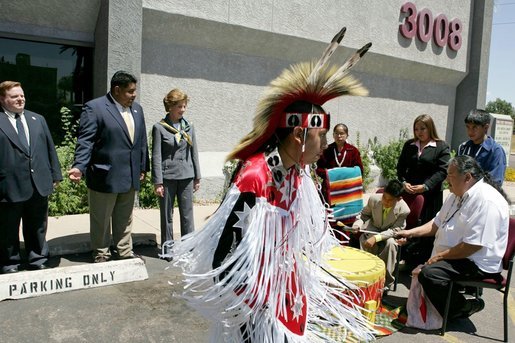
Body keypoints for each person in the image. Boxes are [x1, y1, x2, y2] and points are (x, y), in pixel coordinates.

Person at [167, 28, 376, 342]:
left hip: (283, 290)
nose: (324, 145)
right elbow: (224, 257)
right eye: (320, 137)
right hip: (255, 299)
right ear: (298, 135)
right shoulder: (257, 176)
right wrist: (249, 309)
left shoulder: (296, 173)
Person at [396, 155, 510, 320]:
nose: (446, 179)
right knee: (423, 263)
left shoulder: (487, 201)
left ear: (467, 177)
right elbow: (437, 223)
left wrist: (439, 257)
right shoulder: (457, 193)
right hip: (457, 254)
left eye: (450, 175)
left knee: (430, 273)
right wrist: (410, 232)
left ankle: (462, 307)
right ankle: (445, 304)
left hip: (475, 261)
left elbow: (473, 246)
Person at [68, 71, 149, 263]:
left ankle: (124, 251)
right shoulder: (95, 108)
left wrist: (142, 167)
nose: (134, 95)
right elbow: (85, 141)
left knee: (125, 218)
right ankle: (101, 253)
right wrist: (79, 166)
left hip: (129, 174)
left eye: (134, 91)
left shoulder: (137, 110)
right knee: (101, 219)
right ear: (117, 90)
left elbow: (141, 142)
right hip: (104, 175)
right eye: (130, 91)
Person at [0, 81, 62, 273]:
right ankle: (10, 262)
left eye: (22, 95)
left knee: (37, 225)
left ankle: (37, 258)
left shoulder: (37, 119)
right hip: (8, 185)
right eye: (14, 96)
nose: (20, 99)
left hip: (38, 183)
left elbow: (49, 148)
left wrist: (55, 174)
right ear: (3, 99)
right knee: (8, 227)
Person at [396, 114, 450, 266]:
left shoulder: (441, 146)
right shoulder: (409, 145)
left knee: (426, 228)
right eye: (416, 128)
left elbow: (442, 171)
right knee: (409, 225)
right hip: (410, 193)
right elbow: (400, 167)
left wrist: (425, 186)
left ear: (430, 128)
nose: (419, 132)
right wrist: (403, 182)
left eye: (423, 128)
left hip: (430, 195)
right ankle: (406, 259)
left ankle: (422, 262)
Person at [152, 89, 201, 255]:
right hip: (167, 177)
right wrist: (157, 181)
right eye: (179, 106)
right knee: (167, 215)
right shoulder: (159, 128)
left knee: (187, 215)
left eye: (184, 106)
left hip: (187, 176)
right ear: (170, 107)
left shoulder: (189, 126)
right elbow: (156, 156)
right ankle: (168, 249)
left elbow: (194, 152)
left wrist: (197, 177)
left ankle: (189, 248)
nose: (183, 109)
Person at [352, 179, 410, 290]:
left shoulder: (404, 210)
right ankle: (366, 277)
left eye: (390, 200)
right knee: (365, 240)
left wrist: (376, 238)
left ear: (399, 199)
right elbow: (364, 215)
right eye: (384, 198)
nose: (386, 202)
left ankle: (386, 282)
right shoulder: (374, 199)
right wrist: (357, 225)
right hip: (373, 229)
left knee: (391, 245)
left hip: (390, 234)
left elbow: (395, 230)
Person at [457, 109, 506, 186]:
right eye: (468, 127)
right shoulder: (463, 148)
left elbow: (495, 182)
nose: (470, 131)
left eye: (475, 127)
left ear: (486, 127)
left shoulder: (495, 151)